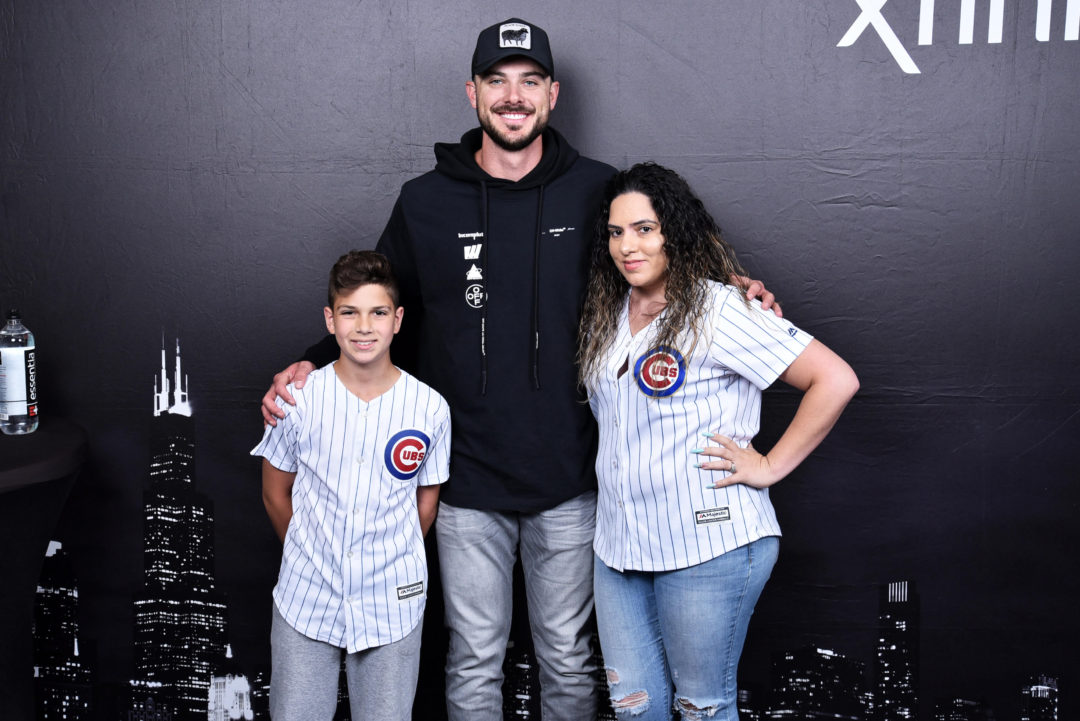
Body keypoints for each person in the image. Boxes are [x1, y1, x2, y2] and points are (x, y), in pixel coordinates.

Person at [261, 19, 780, 721]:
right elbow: (381, 302)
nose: (513, 97)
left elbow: (660, 254)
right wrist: (306, 362)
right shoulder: (425, 201)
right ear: (472, 92)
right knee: (474, 655)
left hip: (569, 480)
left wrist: (736, 282)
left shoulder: (596, 191)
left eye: (529, 81)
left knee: (567, 656)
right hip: (468, 481)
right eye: (497, 81)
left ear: (553, 94)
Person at [577, 163, 859, 720]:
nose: (627, 246)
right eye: (616, 232)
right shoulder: (606, 313)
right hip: (619, 548)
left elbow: (835, 379)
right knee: (635, 709)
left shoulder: (720, 308)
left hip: (708, 543)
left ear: (675, 233)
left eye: (645, 229)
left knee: (702, 707)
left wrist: (771, 465)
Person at [252, 250, 450, 721]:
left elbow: (425, 505)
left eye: (378, 312)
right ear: (330, 319)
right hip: (307, 600)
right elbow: (274, 493)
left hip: (391, 605)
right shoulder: (296, 400)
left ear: (398, 320)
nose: (364, 327)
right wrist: (312, 552)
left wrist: (378, 560)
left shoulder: (429, 408)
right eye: (349, 312)